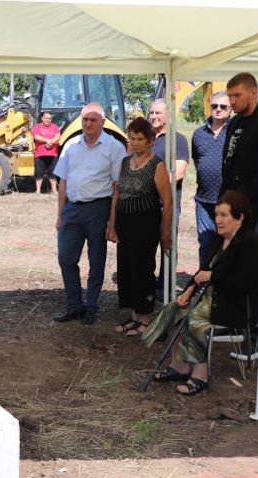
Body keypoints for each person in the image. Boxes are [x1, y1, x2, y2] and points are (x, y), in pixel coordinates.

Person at [141, 191, 258, 396]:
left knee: (195, 320)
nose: (218, 220)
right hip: (209, 298)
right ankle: (179, 367)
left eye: (224, 215)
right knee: (174, 309)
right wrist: (188, 290)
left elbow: (242, 284)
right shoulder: (219, 240)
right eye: (217, 215)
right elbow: (202, 271)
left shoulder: (249, 243)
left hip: (234, 305)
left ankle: (200, 376)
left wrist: (213, 277)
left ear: (240, 217)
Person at [53, 102, 127, 326]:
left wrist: (112, 222)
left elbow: (117, 187)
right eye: (85, 119)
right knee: (66, 257)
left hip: (99, 208)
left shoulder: (114, 147)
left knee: (96, 260)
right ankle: (74, 305)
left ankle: (91, 306)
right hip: (72, 209)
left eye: (93, 120)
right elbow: (63, 181)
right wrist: (60, 214)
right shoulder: (70, 145)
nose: (88, 123)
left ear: (103, 122)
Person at [107, 117, 173, 336]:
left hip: (145, 225)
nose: (135, 143)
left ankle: (145, 318)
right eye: (131, 138)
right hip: (125, 224)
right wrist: (112, 224)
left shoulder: (157, 165)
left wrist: (165, 233)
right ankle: (135, 316)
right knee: (126, 269)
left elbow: (168, 201)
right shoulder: (126, 162)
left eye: (139, 139)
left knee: (143, 269)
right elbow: (118, 193)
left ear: (151, 140)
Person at [220, 72, 258, 234]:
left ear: (253, 93)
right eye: (230, 96)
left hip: (251, 207)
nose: (232, 101)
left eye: (237, 95)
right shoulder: (234, 122)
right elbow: (228, 161)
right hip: (229, 203)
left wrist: (240, 195)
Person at [191, 91, 231, 265]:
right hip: (204, 199)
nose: (218, 109)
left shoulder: (235, 132)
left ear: (230, 109)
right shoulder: (199, 134)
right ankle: (203, 284)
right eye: (215, 106)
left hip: (228, 200)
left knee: (227, 243)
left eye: (223, 106)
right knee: (206, 241)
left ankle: (223, 285)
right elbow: (196, 160)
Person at [148, 99, 190, 222]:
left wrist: (148, 186)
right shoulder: (143, 139)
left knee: (167, 240)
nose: (153, 116)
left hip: (165, 206)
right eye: (151, 113)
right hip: (143, 206)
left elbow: (178, 173)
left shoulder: (178, 140)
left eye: (158, 113)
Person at [32, 111, 61, 194]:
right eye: (46, 118)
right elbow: (36, 137)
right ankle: (38, 191)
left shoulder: (55, 127)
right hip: (40, 154)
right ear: (42, 119)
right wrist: (48, 141)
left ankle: (54, 190)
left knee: (52, 173)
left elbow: (57, 137)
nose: (48, 120)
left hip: (52, 154)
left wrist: (51, 142)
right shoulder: (37, 127)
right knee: (39, 173)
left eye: (50, 118)